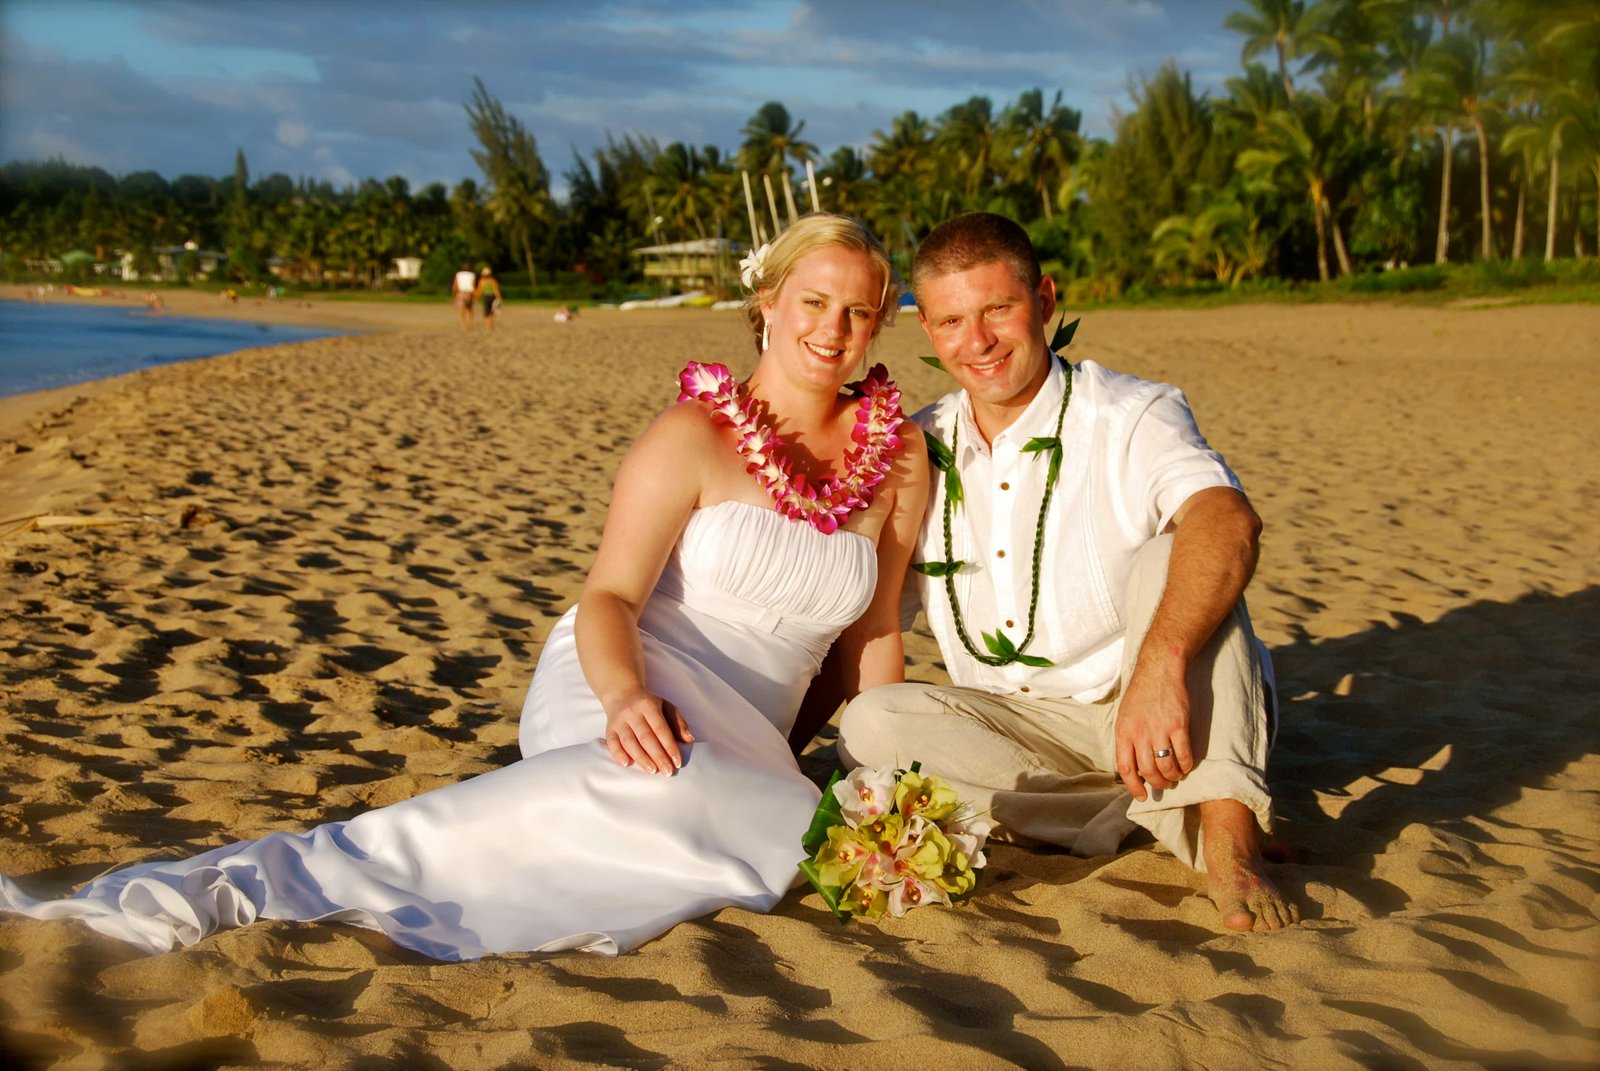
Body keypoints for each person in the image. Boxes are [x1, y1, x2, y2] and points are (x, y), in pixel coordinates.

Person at [0, 213, 927, 960]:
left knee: (797, 832)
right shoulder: (690, 434)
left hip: (751, 730)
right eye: (813, 301)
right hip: (632, 671)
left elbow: (870, 633)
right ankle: (278, 880)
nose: (831, 331)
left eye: (857, 312)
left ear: (881, 320)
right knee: (663, 785)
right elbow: (607, 596)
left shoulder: (898, 459)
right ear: (767, 300)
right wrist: (626, 694)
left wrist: (878, 779)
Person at [823, 212, 1298, 932]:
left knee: (1181, 553)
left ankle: (1228, 847)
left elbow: (1229, 521)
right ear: (929, 330)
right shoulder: (920, 446)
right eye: (951, 321)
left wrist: (1160, 665)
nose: (976, 342)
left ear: (1043, 301)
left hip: (1152, 703)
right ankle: (1152, 810)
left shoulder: (1133, 413)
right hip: (1022, 731)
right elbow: (874, 615)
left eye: (998, 310)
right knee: (868, 724)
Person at [474, 266, 503, 332]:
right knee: (492, 313)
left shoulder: (481, 281)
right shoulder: (493, 280)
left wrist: (476, 297)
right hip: (492, 297)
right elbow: (496, 290)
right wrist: (499, 297)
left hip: (485, 297)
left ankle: (488, 327)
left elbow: (480, 291)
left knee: (486, 313)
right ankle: (492, 326)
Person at [452, 261, 477, 330]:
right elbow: (473, 286)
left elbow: (455, 285)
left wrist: (454, 295)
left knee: (461, 311)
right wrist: (475, 296)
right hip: (469, 293)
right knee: (469, 309)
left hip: (461, 293)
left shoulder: (458, 274)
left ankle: (463, 325)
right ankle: (470, 324)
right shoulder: (472, 275)